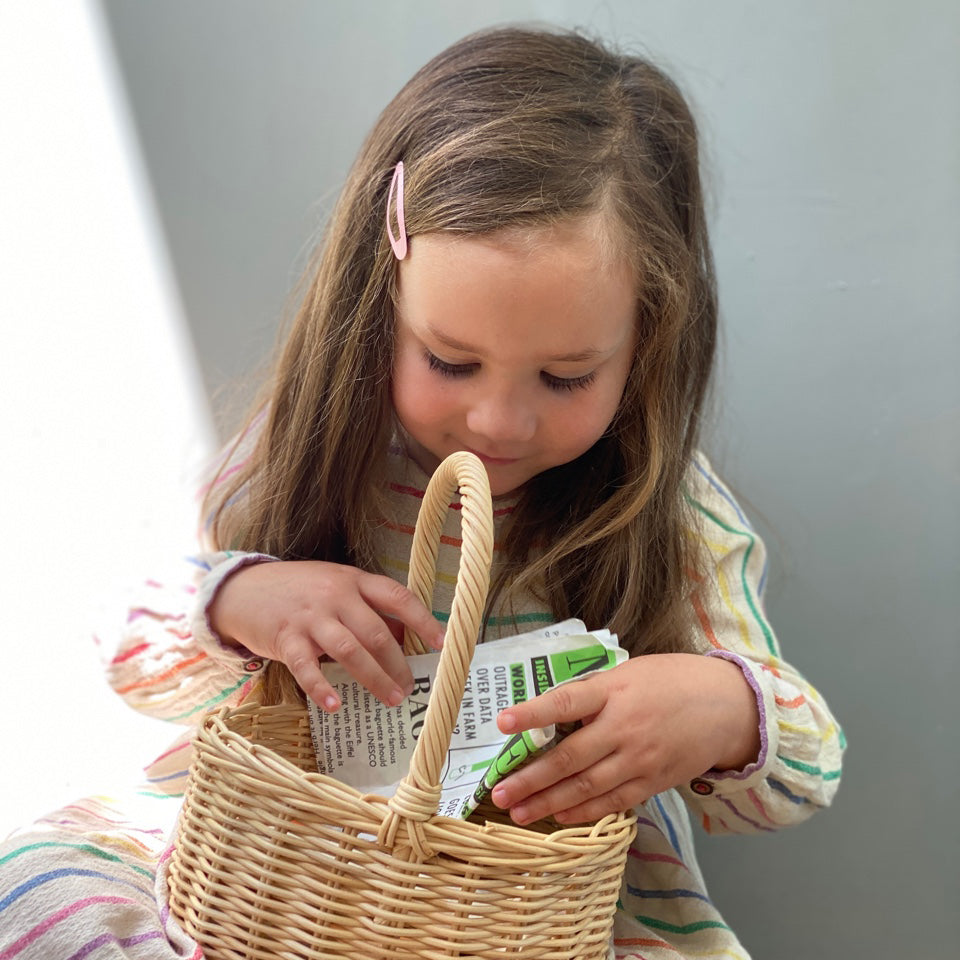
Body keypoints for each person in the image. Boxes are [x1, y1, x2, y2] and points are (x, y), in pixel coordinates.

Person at [0, 25, 844, 960]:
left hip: (529, 912)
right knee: (36, 889)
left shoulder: (668, 513)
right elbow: (127, 650)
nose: (498, 423)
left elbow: (809, 767)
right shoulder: (316, 450)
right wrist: (237, 598)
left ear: (647, 341)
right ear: (382, 306)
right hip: (275, 869)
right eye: (450, 360)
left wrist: (719, 710)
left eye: (565, 378)